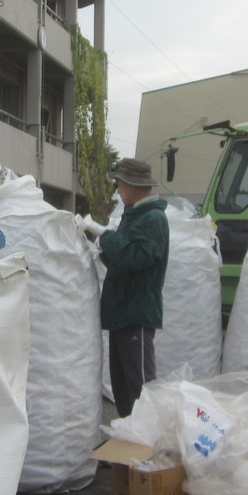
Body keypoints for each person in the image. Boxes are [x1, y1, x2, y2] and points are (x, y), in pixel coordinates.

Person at [78, 158, 169, 418]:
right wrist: (102, 249)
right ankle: (129, 443)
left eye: (119, 184)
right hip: (122, 314)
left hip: (135, 314)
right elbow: (125, 259)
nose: (117, 190)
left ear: (133, 185)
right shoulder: (135, 217)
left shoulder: (152, 219)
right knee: (122, 387)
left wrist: (103, 234)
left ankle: (146, 442)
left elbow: (136, 257)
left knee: (138, 386)